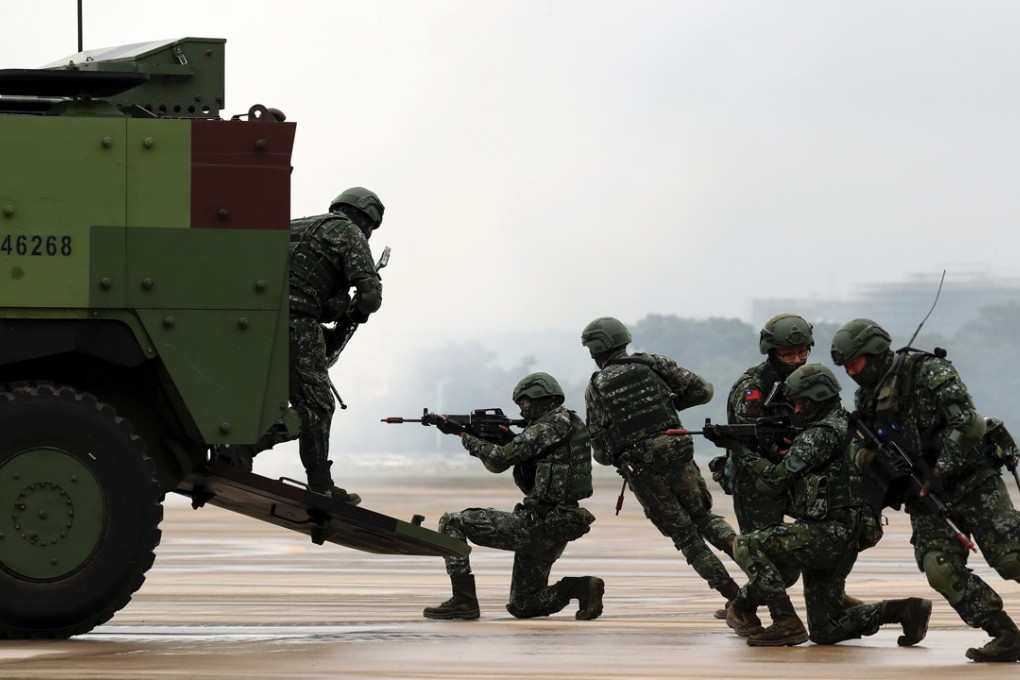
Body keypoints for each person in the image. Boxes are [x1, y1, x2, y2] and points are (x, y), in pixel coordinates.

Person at [831, 318, 1020, 662]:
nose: (851, 373)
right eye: (845, 367)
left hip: (972, 482)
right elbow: (855, 446)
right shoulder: (866, 398)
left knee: (1011, 558)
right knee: (939, 567)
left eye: (854, 364)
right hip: (922, 496)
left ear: (872, 353)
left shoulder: (929, 371)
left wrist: (939, 471)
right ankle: (1005, 634)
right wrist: (873, 462)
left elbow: (967, 421)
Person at [723, 363, 932, 647]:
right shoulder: (844, 425)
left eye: (798, 403)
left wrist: (738, 449)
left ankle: (785, 621)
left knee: (747, 544)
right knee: (825, 630)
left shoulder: (821, 432)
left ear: (816, 397)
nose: (795, 410)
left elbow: (774, 481)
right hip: (847, 535)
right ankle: (902, 610)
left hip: (827, 534)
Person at [581, 316, 742, 615]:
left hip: (642, 470)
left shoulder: (596, 388)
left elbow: (601, 454)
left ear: (596, 350)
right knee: (705, 517)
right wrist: (666, 408)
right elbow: (702, 391)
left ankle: (735, 598)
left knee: (686, 537)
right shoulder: (653, 363)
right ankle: (758, 570)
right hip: (678, 453)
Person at [237, 187, 385, 504]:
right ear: (367, 218)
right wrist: (355, 310)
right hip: (296, 322)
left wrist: (333, 304)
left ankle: (234, 450)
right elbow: (370, 298)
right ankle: (308, 478)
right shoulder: (349, 232)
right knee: (318, 407)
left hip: (252, 324)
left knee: (268, 399)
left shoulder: (296, 225)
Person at [424, 372, 604, 621]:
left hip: (536, 523)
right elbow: (530, 456)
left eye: (523, 403)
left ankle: (463, 601)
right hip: (561, 523)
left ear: (537, 398)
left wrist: (464, 435)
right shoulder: (569, 424)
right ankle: (580, 587)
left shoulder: (547, 427)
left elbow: (499, 460)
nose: (521, 411)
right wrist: (504, 439)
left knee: (452, 521)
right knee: (524, 605)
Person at [712, 314, 814, 625]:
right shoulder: (753, 388)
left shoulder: (811, 381)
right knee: (764, 555)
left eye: (802, 353)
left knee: (818, 545)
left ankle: (748, 600)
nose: (796, 360)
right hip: (756, 482)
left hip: (799, 476)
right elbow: (748, 438)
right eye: (788, 355)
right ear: (771, 351)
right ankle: (755, 608)